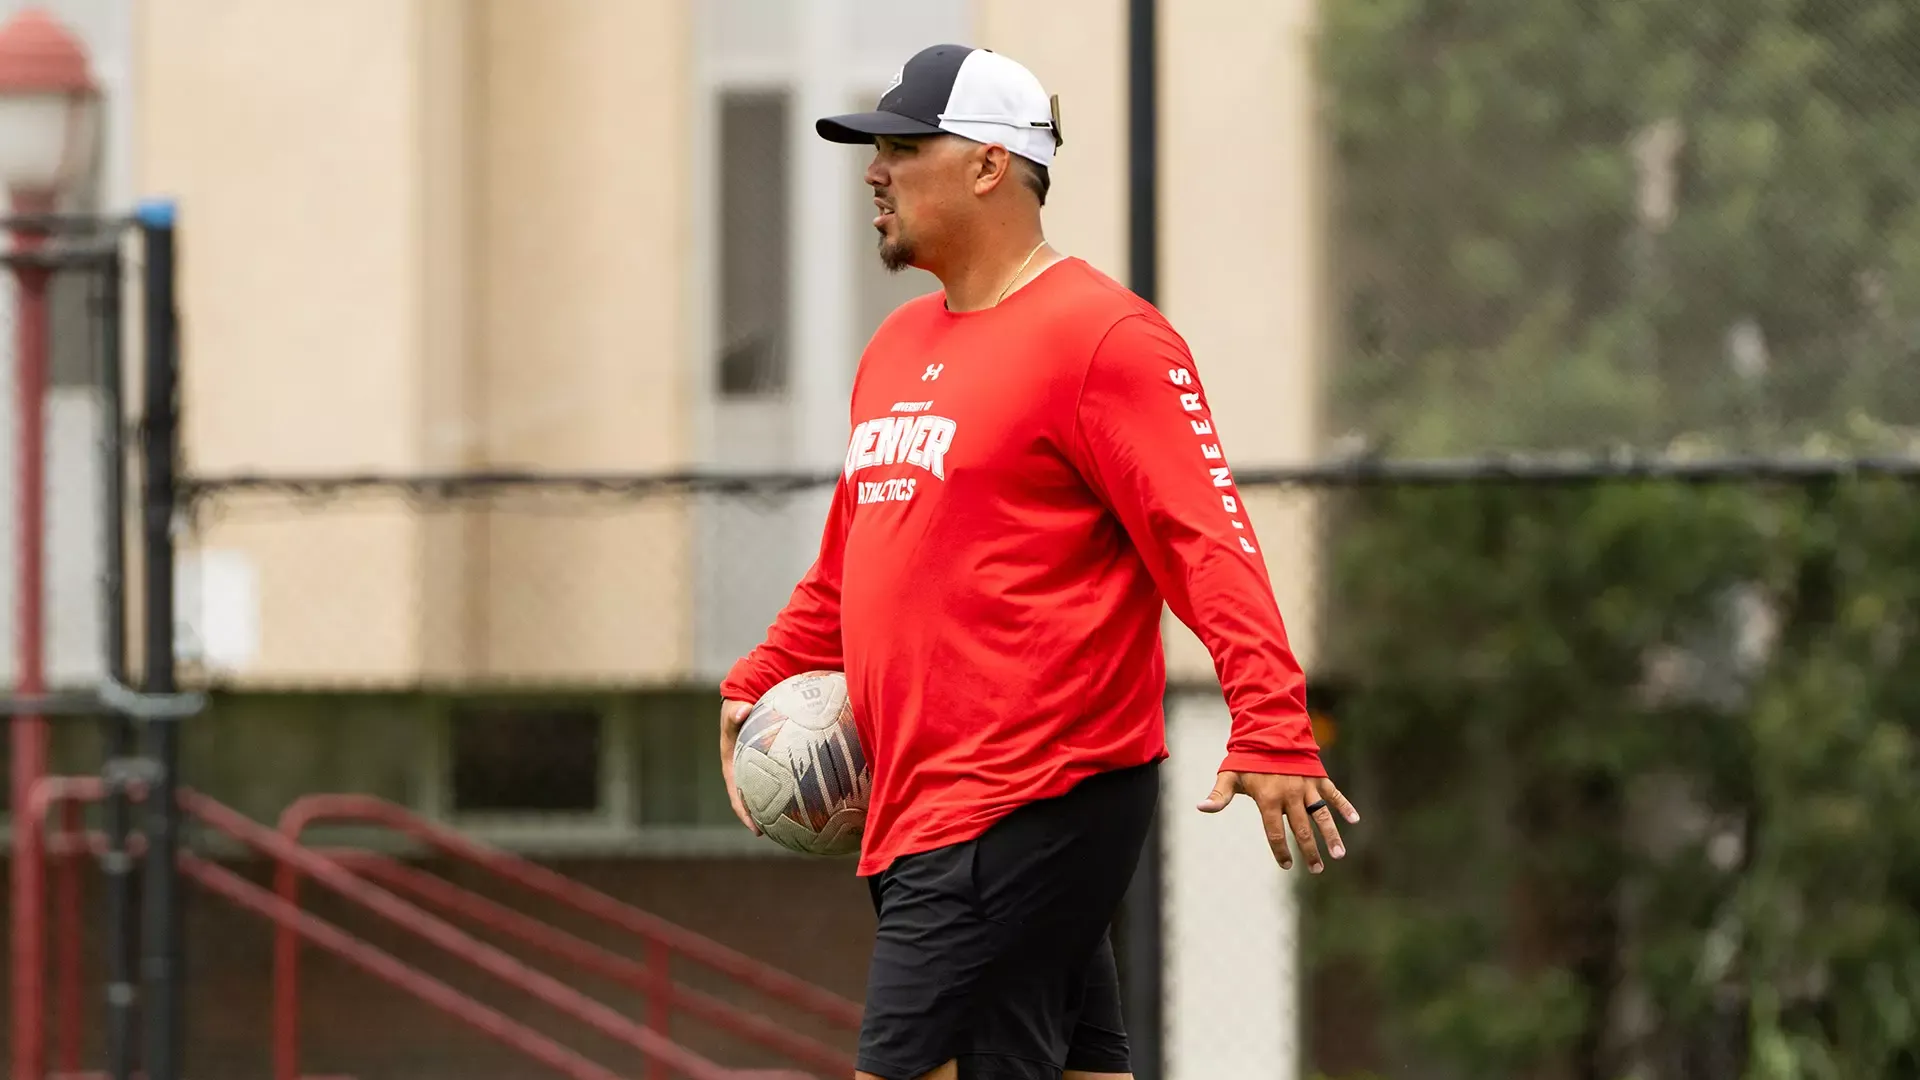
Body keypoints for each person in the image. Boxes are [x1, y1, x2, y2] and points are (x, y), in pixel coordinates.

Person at [717, 43, 1359, 1080]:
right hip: (933, 805)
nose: (875, 171)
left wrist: (1273, 720)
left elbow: (1206, 537)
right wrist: (758, 678)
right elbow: (852, 562)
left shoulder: (1103, 338)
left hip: (1023, 794)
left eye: (902, 148)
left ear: (987, 165)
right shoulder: (896, 349)